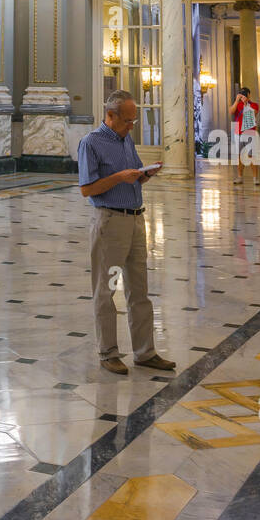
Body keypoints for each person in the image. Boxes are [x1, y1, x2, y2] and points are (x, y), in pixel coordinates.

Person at [78, 90, 175, 376]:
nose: (132, 125)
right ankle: (108, 353)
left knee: (139, 290)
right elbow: (87, 189)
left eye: (134, 121)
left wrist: (143, 176)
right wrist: (121, 177)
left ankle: (145, 352)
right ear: (111, 115)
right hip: (110, 223)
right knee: (107, 291)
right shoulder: (91, 143)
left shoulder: (125, 139)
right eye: (128, 120)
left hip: (135, 220)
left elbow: (130, 178)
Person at [230, 86, 260, 186]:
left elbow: (253, 114)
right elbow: (231, 112)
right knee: (239, 156)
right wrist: (236, 100)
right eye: (241, 94)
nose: (243, 96)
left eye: (244, 94)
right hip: (238, 132)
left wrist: (246, 103)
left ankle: (255, 178)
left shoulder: (254, 105)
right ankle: (239, 177)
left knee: (251, 156)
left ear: (248, 95)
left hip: (249, 132)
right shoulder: (237, 105)